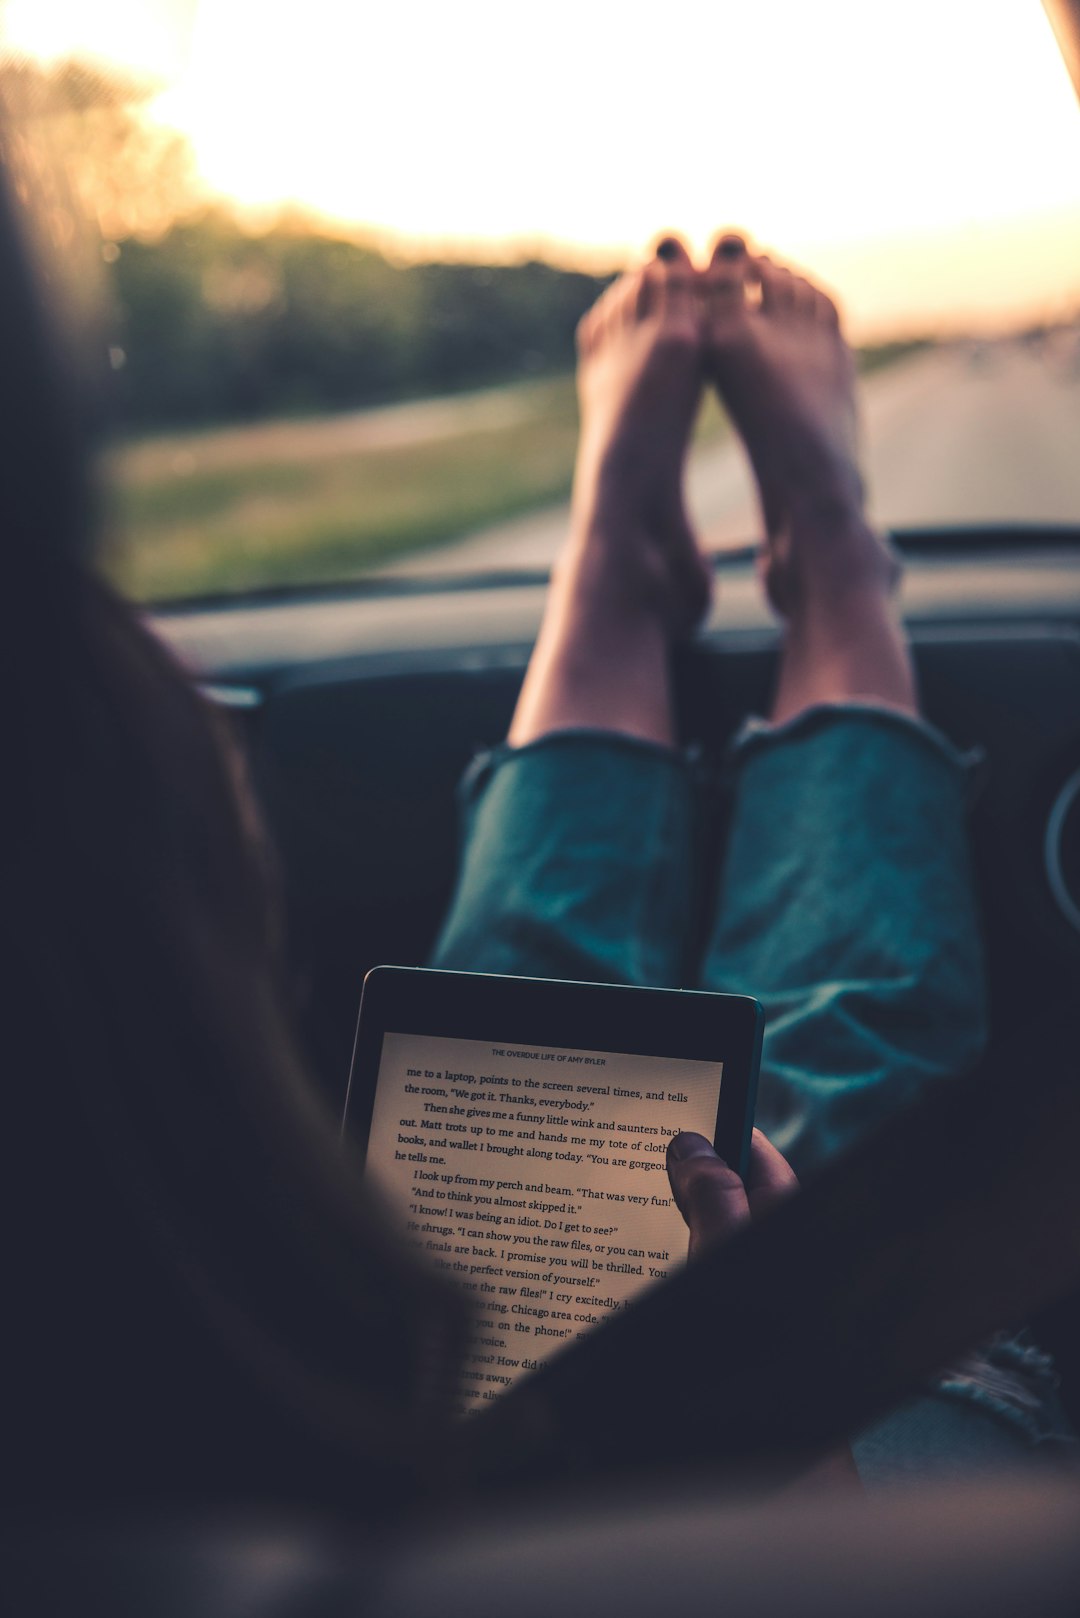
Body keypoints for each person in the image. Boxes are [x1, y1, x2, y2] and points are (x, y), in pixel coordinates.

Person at [431, 233, 1073, 1478]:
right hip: (838, 1465)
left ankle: (615, 565)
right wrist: (788, 1398)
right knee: (842, 1073)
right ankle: (832, 560)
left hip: (496, 1453)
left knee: (516, 1043)